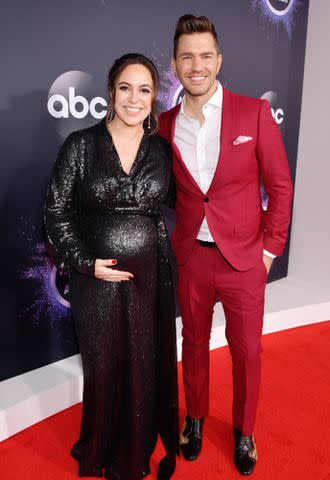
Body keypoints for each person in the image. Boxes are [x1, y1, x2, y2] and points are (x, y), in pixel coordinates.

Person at [159, 14, 293, 476]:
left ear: (219, 60)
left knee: (247, 352)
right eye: (187, 57)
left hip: (244, 261)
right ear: (176, 65)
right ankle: (194, 420)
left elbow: (280, 187)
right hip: (192, 258)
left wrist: (269, 251)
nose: (197, 65)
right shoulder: (164, 124)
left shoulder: (252, 112)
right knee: (192, 344)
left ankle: (245, 429)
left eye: (205, 56)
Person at [44, 53, 179, 480]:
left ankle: (133, 454)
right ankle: (99, 446)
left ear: (154, 97)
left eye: (144, 90)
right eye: (125, 88)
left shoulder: (161, 150)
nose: (134, 99)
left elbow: (189, 201)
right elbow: (55, 213)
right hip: (95, 280)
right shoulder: (81, 146)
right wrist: (86, 263)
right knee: (102, 367)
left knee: (142, 362)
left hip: (149, 279)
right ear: (110, 92)